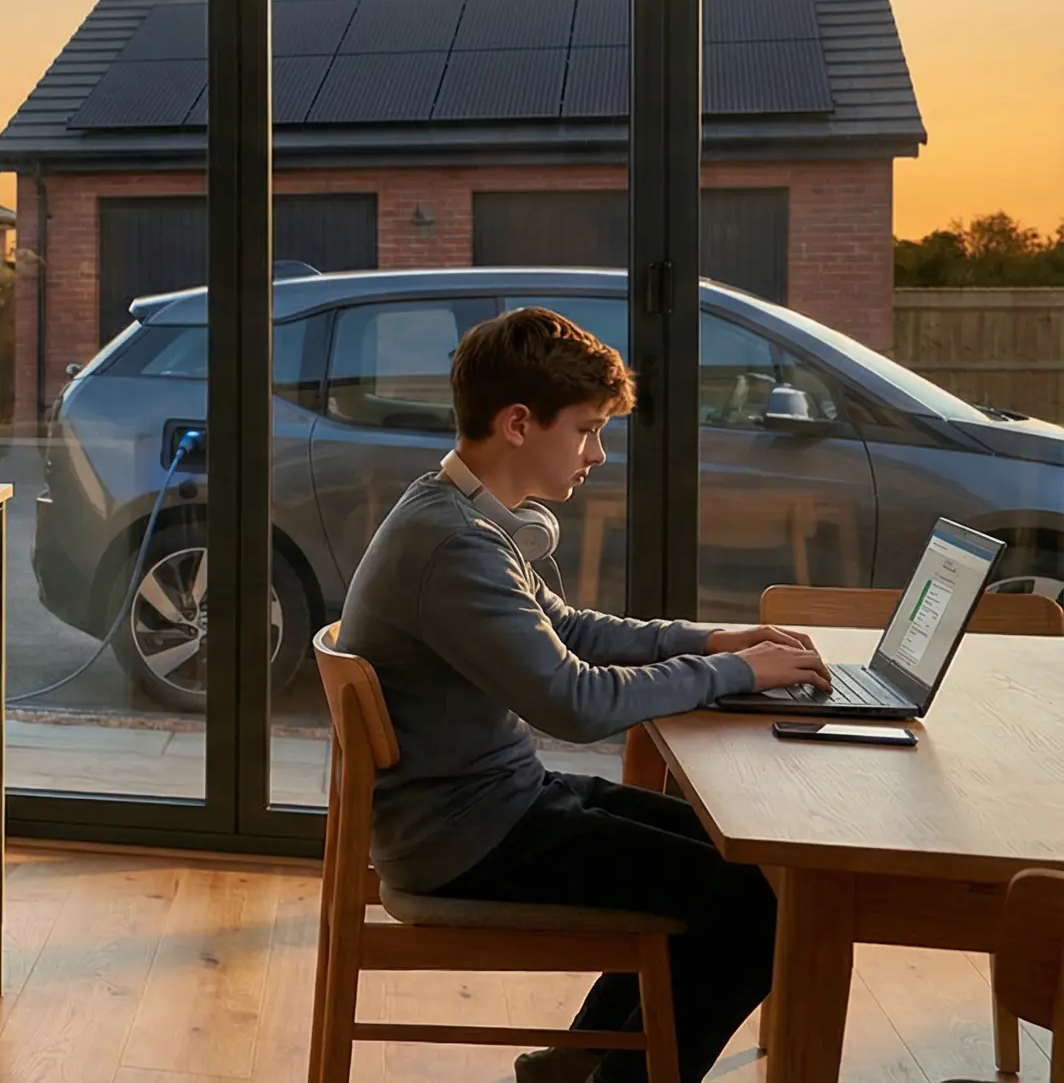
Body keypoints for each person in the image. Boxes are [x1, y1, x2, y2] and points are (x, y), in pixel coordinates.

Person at [335, 306, 832, 1083]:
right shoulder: (456, 544)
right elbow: (574, 702)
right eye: (588, 430)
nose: (598, 454)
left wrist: (710, 641)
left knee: (748, 861)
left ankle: (576, 1065)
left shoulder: (459, 511)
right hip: (468, 839)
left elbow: (567, 628)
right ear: (520, 424)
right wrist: (739, 675)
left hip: (491, 804)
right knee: (760, 908)